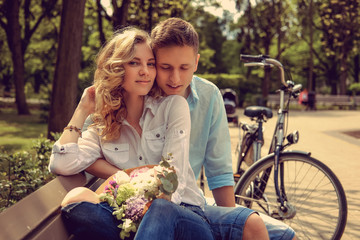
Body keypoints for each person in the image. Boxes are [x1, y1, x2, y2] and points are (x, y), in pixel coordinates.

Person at [84, 18, 295, 240]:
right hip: (143, 206)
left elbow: (219, 172)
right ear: (154, 62)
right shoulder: (134, 94)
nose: (175, 79)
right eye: (165, 67)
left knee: (285, 234)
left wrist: (228, 225)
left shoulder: (209, 95)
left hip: (193, 205)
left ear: (196, 63)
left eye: (184, 68)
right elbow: (90, 142)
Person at [49, 27, 217, 240]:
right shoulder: (102, 123)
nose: (145, 71)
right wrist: (82, 110)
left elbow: (171, 181)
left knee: (159, 208)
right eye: (134, 63)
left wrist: (123, 182)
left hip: (184, 214)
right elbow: (61, 164)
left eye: (150, 64)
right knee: (76, 202)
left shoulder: (174, 106)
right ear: (117, 69)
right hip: (133, 219)